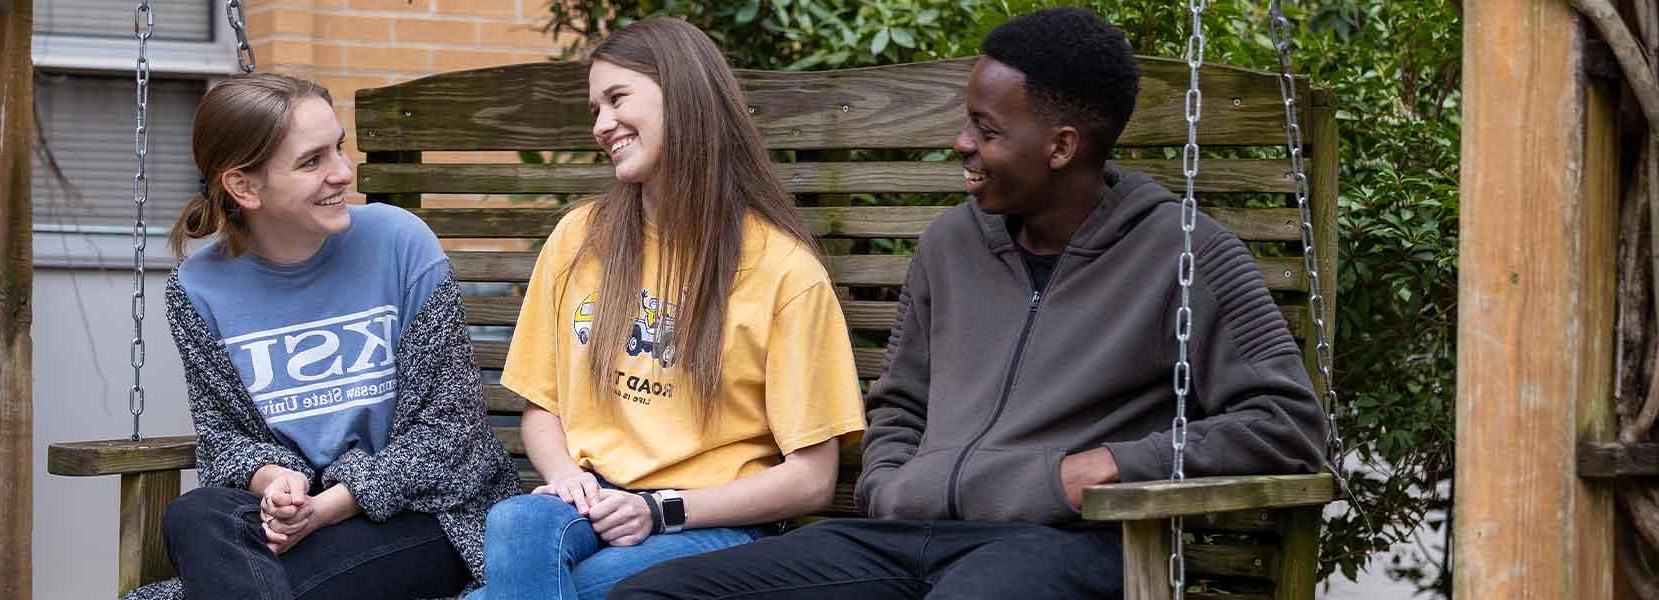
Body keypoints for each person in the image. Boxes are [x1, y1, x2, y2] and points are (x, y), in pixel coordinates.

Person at [611, 8, 1327, 599]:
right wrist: (891, 486)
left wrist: (1105, 465)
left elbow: (1287, 427)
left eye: (986, 130)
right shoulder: (950, 245)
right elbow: (899, 405)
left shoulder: (1186, 253)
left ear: (1061, 146)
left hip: (1059, 547)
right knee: (651, 595)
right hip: (900, 538)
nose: (962, 143)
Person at [466, 17, 869, 600]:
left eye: (617, 98)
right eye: (594, 109)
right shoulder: (579, 237)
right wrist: (568, 481)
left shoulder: (783, 271)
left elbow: (811, 479)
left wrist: (662, 510)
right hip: (594, 500)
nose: (602, 125)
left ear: (681, 96)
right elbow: (541, 408)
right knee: (516, 521)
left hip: (714, 521)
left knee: (582, 587)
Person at [123, 73, 521, 600]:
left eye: (338, 148)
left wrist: (326, 506)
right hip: (293, 531)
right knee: (194, 513)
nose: (342, 173)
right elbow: (224, 441)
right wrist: (274, 484)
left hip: (430, 516)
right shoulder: (199, 290)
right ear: (244, 186)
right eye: (312, 162)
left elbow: (450, 431)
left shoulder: (399, 244)